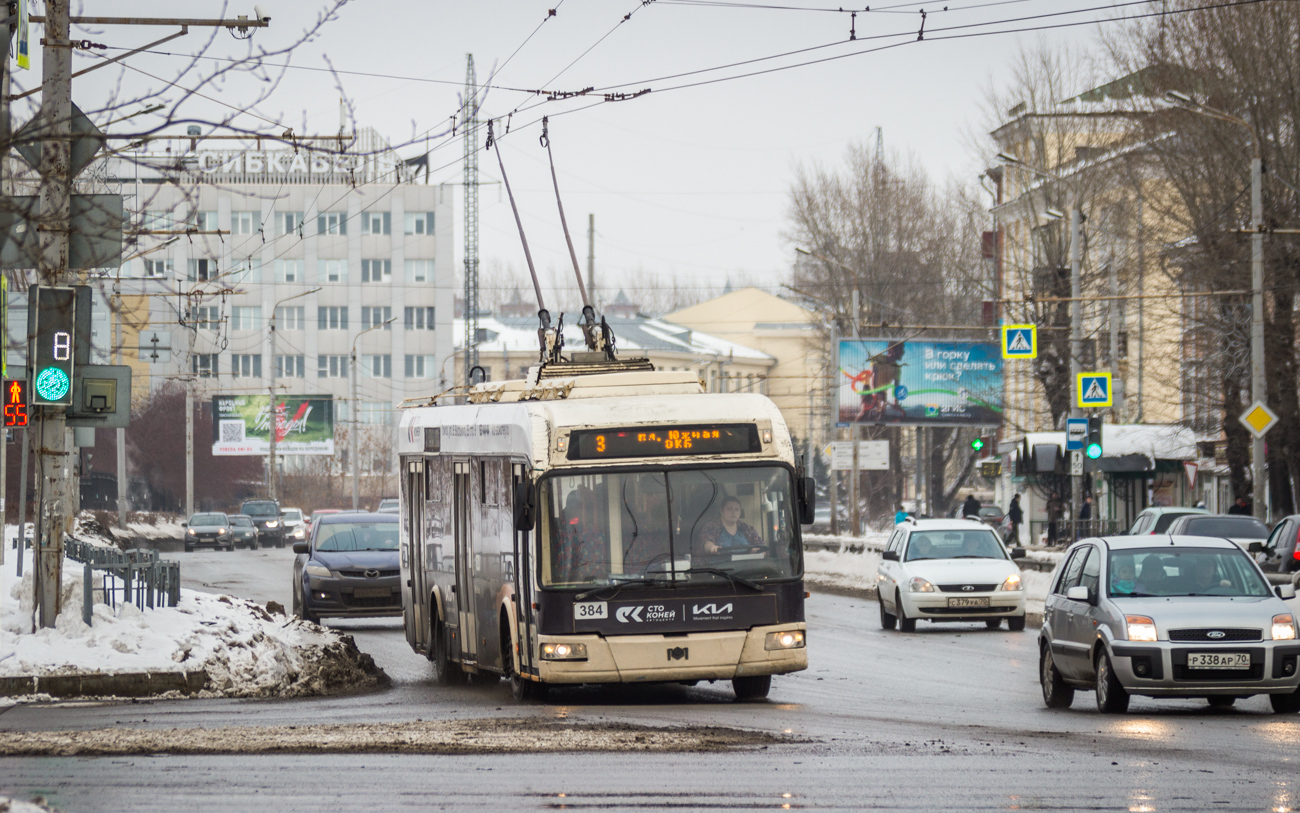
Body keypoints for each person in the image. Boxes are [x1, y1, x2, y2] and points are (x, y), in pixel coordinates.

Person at [698, 496, 764, 555]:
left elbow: (762, 547)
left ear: (740, 512)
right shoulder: (711, 527)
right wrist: (712, 548)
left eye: (737, 509)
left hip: (746, 566)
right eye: (729, 509)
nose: (733, 512)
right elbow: (706, 542)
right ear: (721, 511)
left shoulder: (748, 529)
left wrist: (758, 550)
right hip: (720, 567)